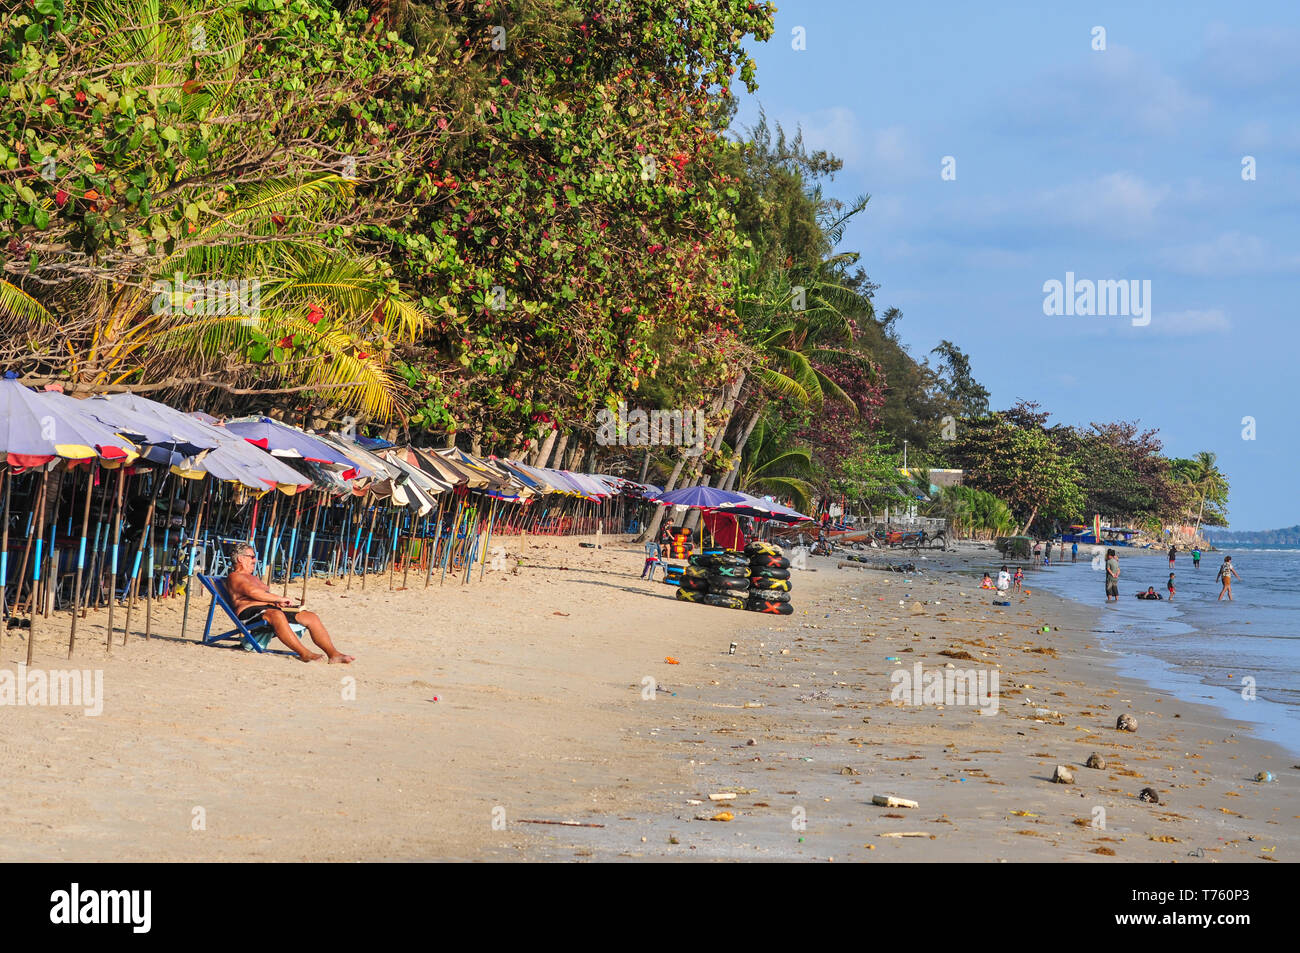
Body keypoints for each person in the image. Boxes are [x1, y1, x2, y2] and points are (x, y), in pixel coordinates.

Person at [224, 542, 354, 663]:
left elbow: (262, 595)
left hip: (269, 610)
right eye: (251, 557)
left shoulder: (253, 577)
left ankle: (333, 654)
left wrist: (277, 603)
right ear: (241, 559)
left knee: (310, 617)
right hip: (249, 614)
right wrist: (279, 599)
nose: (255, 560)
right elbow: (252, 592)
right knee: (276, 615)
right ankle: (304, 653)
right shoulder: (235, 576)